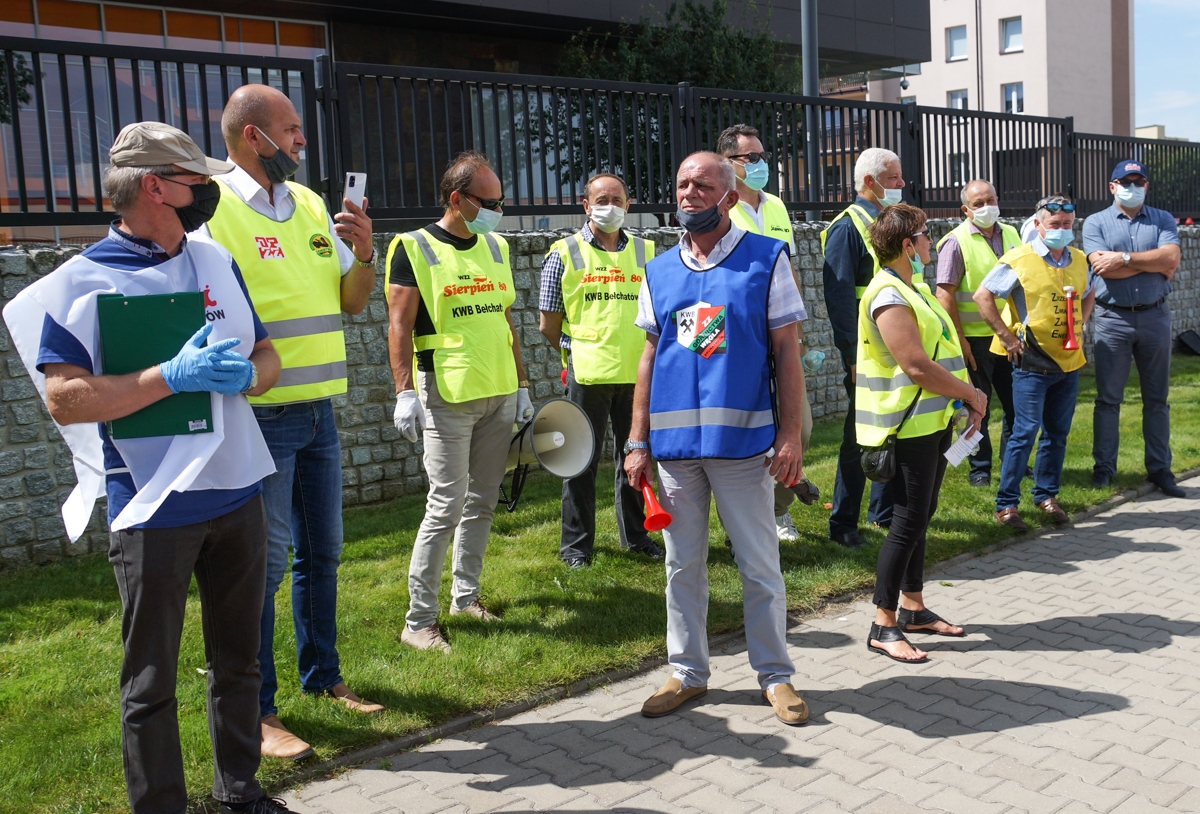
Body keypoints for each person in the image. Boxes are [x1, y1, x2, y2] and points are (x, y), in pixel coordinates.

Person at [2, 122, 292, 814]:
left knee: (240, 662)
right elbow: (65, 398)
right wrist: (170, 375)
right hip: (153, 505)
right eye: (197, 181)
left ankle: (241, 796)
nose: (209, 192)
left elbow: (270, 354)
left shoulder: (217, 259)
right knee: (151, 679)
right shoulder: (80, 281)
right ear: (155, 186)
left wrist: (246, 377)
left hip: (236, 491)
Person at [202, 84, 382, 762]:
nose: (303, 141)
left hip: (317, 413)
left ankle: (323, 678)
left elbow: (352, 301)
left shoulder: (308, 204)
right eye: (292, 130)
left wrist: (363, 254)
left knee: (323, 555)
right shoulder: (212, 212)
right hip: (258, 417)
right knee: (261, 567)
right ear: (255, 136)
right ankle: (257, 709)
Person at [624, 151, 810, 725]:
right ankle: (687, 673)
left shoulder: (766, 258)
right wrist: (637, 441)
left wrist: (791, 435)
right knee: (683, 566)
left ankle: (775, 677)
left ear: (729, 196)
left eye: (702, 185)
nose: (688, 194)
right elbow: (650, 357)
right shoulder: (658, 270)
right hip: (677, 453)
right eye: (681, 184)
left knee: (759, 565)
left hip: (743, 446)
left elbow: (787, 352)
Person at [386, 151, 533, 653]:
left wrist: (523, 385)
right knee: (445, 504)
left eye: (500, 200)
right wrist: (404, 391)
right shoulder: (414, 247)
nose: (498, 210)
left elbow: (504, 320)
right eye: (489, 201)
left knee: (483, 501)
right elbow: (399, 325)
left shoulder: (495, 247)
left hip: (496, 390)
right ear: (457, 199)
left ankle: (465, 597)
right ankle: (418, 620)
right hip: (446, 392)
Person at [857, 203, 978, 663]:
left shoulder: (915, 287)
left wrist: (962, 397)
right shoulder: (889, 294)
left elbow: (940, 354)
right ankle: (883, 624)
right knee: (906, 521)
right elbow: (915, 365)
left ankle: (913, 607)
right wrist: (972, 393)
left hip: (931, 420)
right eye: (926, 234)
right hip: (904, 425)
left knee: (921, 514)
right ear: (908, 245)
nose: (932, 240)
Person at [538, 173, 662, 569]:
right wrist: (576, 351)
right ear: (586, 205)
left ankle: (637, 537)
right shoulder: (564, 253)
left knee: (636, 456)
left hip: (637, 376)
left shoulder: (647, 252)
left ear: (629, 205)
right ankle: (577, 548)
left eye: (617, 199)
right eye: (601, 199)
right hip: (587, 376)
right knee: (580, 463)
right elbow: (548, 323)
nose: (610, 205)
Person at [717, 123, 816, 543]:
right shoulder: (720, 205)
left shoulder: (775, 206)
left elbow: (786, 266)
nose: (761, 164)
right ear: (729, 164)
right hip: (741, 338)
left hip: (781, 334)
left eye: (761, 155)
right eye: (750, 158)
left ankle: (778, 510)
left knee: (800, 429)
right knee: (746, 433)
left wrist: (797, 326)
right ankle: (741, 523)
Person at [975, 195, 1095, 530]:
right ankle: (1006, 504)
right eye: (1054, 224)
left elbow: (1089, 293)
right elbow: (982, 297)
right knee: (1025, 432)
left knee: (1057, 433)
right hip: (1030, 362)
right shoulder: (1019, 259)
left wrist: (1081, 323)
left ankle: (1045, 495)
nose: (1061, 229)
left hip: (1069, 362)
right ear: (1038, 225)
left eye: (1067, 225)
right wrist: (1005, 337)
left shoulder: (1080, 259)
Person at [1083, 160, 1183, 496]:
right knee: (1108, 400)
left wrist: (1123, 259)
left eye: (1139, 181)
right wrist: (1150, 262)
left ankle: (1160, 470)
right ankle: (1104, 469)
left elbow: (1171, 258)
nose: (1133, 186)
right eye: (1126, 181)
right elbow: (1100, 267)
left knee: (1157, 400)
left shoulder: (1163, 219)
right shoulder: (1095, 222)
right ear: (1112, 186)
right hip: (1113, 319)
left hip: (1155, 316)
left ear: (1146, 185)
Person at [820, 147, 902, 548]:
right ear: (869, 182)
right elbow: (838, 298)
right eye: (894, 178)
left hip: (897, 347)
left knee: (895, 430)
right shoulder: (847, 227)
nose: (902, 185)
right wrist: (852, 355)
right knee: (860, 435)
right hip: (867, 352)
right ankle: (843, 524)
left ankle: (882, 514)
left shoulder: (888, 222)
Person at [935, 179, 1023, 487]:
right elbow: (944, 295)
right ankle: (980, 469)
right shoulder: (955, 242)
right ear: (965, 210)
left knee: (1018, 404)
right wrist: (960, 341)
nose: (987, 208)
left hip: (1011, 336)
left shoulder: (1012, 234)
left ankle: (1015, 462)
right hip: (975, 340)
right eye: (979, 204)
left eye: (990, 200)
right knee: (977, 406)